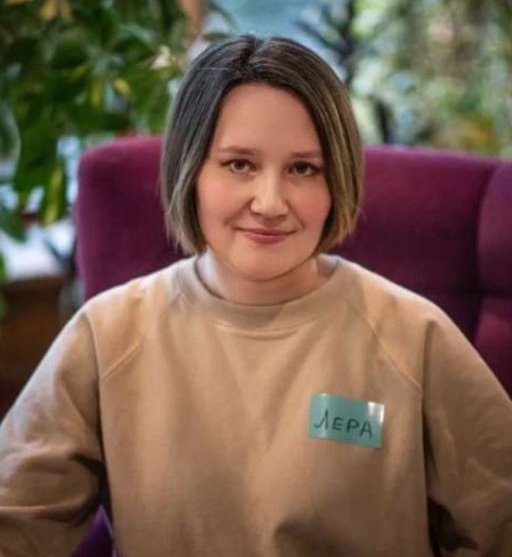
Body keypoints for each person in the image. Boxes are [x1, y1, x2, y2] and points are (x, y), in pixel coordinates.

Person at [1, 35, 511, 557]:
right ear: (190, 172)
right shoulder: (107, 335)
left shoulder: (413, 336)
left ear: (337, 182)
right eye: (239, 164)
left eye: (303, 169)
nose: (270, 203)